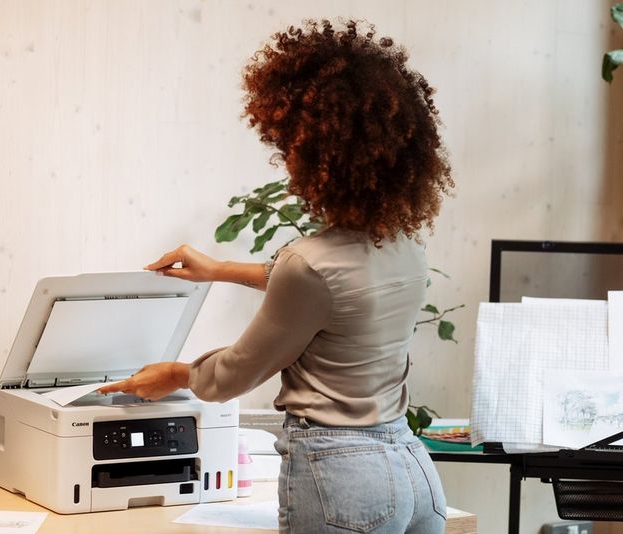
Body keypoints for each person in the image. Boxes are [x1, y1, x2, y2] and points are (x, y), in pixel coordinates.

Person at [99, 19, 454, 533]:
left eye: (293, 145)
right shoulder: (404, 247)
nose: (287, 162)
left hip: (341, 476)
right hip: (411, 466)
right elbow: (329, 292)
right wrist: (218, 269)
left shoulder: (308, 263)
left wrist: (174, 374)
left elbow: (234, 374)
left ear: (325, 154)